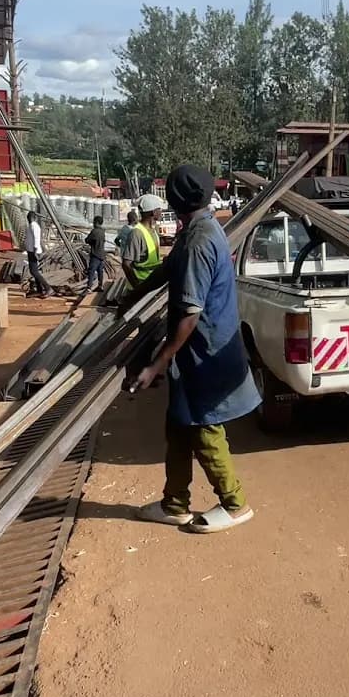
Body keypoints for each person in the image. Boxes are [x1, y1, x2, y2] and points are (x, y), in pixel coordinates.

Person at [131, 163, 259, 533]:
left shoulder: (200, 241)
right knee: (179, 427)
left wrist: (156, 364)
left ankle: (235, 504)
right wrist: (129, 297)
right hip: (194, 354)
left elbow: (189, 313)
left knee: (205, 429)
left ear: (173, 200)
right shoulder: (198, 230)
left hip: (206, 353)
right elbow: (167, 269)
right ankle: (175, 504)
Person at [120, 197, 161, 288]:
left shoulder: (153, 231)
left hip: (151, 284)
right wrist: (137, 287)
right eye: (159, 209)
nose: (161, 212)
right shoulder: (137, 233)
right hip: (142, 285)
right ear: (153, 212)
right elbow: (126, 264)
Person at [24, 210, 50, 298]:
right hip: (31, 251)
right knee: (34, 271)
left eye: (29, 217)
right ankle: (40, 290)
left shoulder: (34, 226)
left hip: (34, 251)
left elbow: (36, 239)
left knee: (34, 271)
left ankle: (48, 288)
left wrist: (35, 251)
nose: (28, 219)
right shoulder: (30, 226)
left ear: (33, 218)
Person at [85, 215, 107, 292]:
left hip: (95, 254)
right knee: (100, 271)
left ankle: (89, 287)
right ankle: (100, 286)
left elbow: (87, 240)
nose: (93, 223)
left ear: (96, 222)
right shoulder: (102, 232)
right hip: (102, 255)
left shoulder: (94, 231)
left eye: (94, 222)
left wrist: (90, 242)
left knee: (91, 271)